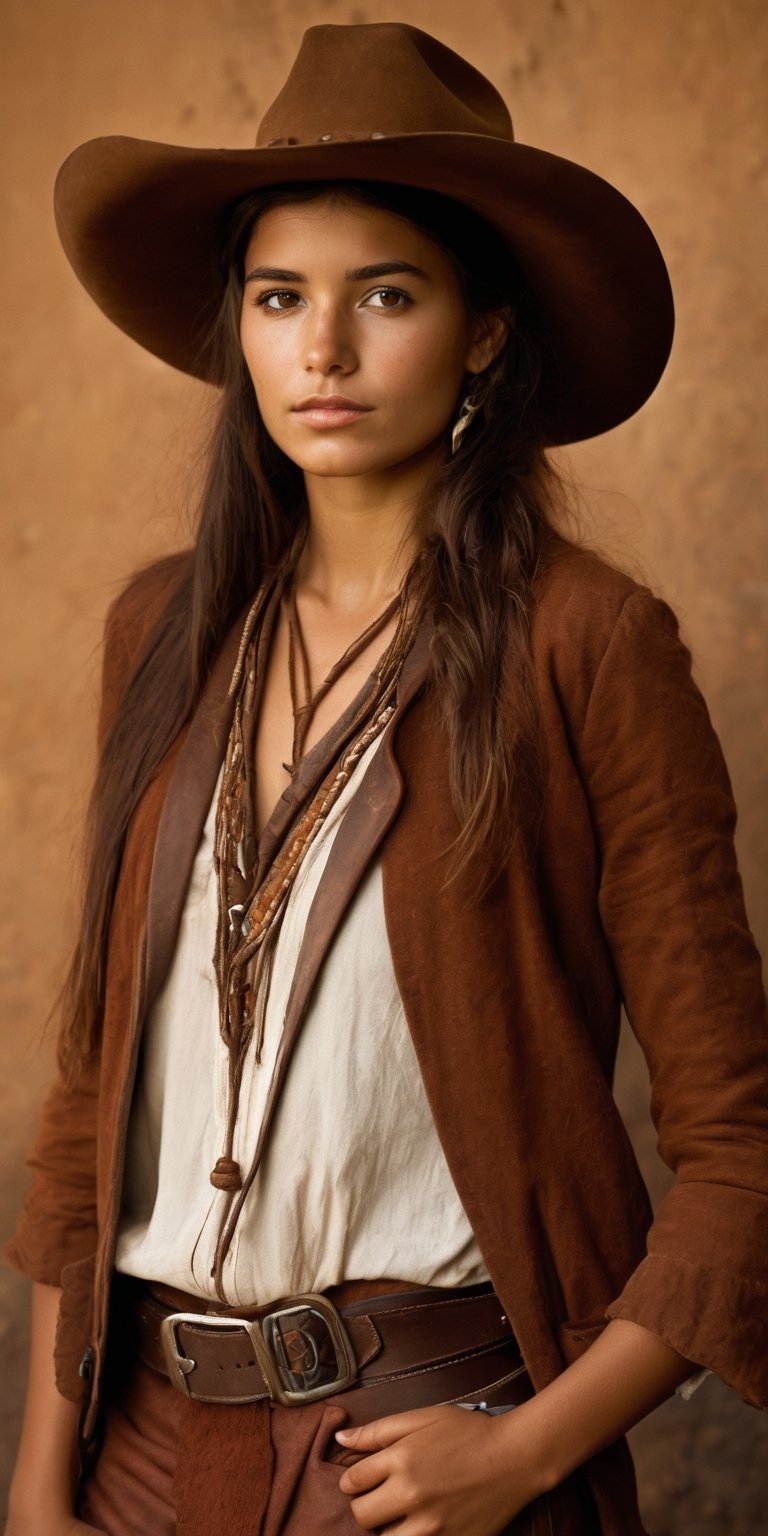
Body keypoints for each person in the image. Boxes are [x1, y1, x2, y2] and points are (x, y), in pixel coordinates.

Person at [5, 20, 767, 1536]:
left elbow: (741, 1154)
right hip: (143, 1456)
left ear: (485, 328)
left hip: (423, 1455)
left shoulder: (588, 646)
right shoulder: (164, 630)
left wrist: (533, 1450)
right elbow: (95, 1093)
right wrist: (40, 1472)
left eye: (387, 297)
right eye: (281, 298)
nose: (324, 352)